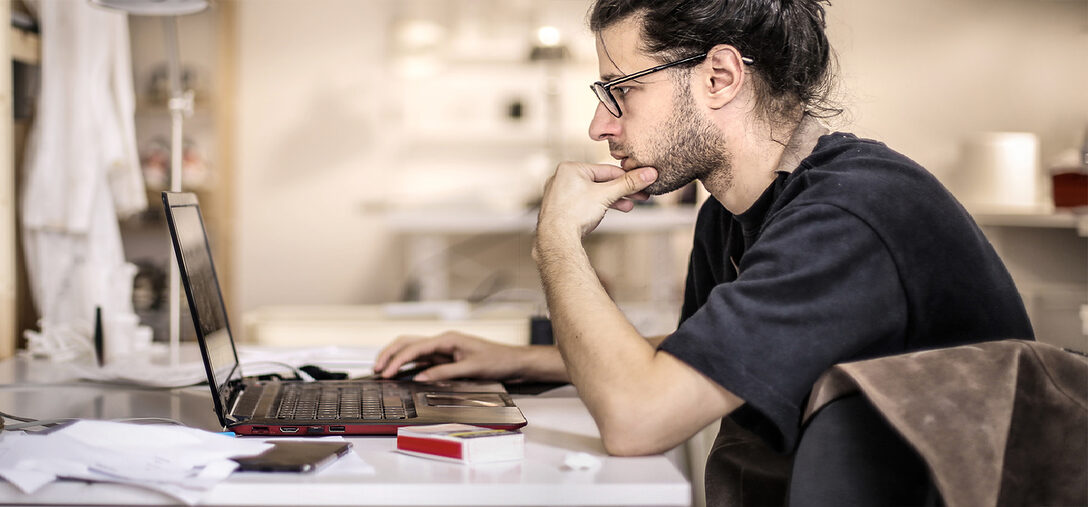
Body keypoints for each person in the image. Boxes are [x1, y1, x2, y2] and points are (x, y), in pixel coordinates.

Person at [374, 0, 1033, 503]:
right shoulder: (732, 212)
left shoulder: (851, 214)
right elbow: (703, 353)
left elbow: (639, 416)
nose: (600, 126)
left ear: (719, 76)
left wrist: (556, 239)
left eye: (620, 90)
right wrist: (520, 359)